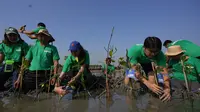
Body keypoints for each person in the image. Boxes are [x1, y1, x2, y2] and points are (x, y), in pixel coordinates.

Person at [124, 36, 171, 102]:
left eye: (156, 51)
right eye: (151, 51)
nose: (153, 54)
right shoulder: (134, 51)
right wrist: (148, 84)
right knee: (129, 76)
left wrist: (167, 88)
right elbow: (135, 72)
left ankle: (152, 97)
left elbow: (164, 73)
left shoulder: (160, 55)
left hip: (148, 62)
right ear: (144, 48)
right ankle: (128, 94)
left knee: (152, 77)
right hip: (135, 60)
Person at [14, 29, 60, 93]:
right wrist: (19, 78)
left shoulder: (53, 48)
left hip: (46, 75)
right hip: (31, 74)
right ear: (37, 37)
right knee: (26, 92)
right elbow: (25, 63)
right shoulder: (32, 48)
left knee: (46, 93)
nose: (41, 36)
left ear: (48, 37)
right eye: (39, 35)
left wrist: (54, 77)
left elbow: (56, 63)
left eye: (43, 35)